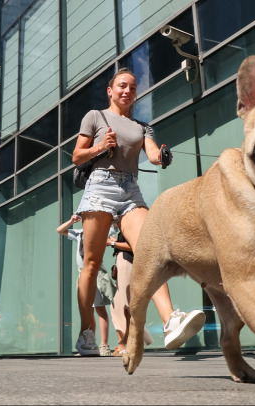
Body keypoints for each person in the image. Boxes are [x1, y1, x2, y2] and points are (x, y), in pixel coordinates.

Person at [71, 67, 205, 356]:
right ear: (110, 90)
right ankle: (86, 333)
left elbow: (153, 153)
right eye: (122, 86)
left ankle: (171, 321)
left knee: (150, 250)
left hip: (130, 190)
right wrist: (99, 147)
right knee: (92, 264)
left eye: (132, 88)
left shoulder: (143, 126)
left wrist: (162, 156)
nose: (127, 91)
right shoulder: (96, 117)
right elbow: (76, 156)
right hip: (100, 187)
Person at [57, 214, 115, 357]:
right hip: (82, 274)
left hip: (96, 273)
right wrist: (71, 220)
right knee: (88, 310)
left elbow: (115, 227)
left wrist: (110, 218)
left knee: (100, 309)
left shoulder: (101, 230)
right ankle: (90, 342)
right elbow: (60, 230)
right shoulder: (79, 233)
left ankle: (104, 345)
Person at [108, 231, 153, 356]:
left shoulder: (130, 223)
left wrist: (113, 243)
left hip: (127, 262)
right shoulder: (122, 226)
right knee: (116, 307)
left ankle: (132, 343)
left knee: (127, 305)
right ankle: (122, 345)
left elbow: (133, 245)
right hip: (121, 262)